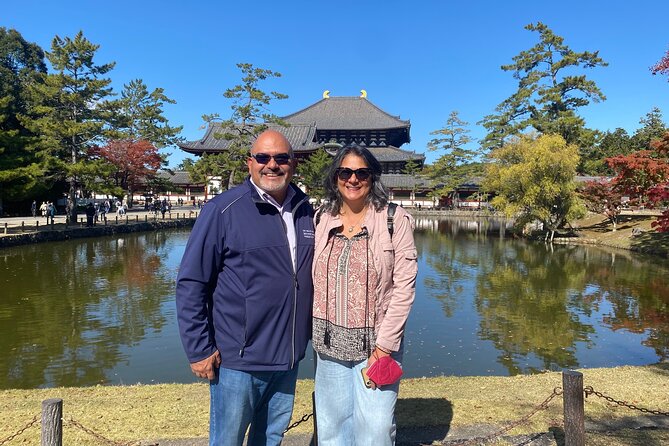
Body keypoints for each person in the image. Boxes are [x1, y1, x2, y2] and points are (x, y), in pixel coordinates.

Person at [175, 129, 315, 446]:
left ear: (293, 164)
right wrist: (198, 348)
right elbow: (191, 282)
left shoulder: (304, 210)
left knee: (270, 439)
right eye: (263, 157)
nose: (272, 165)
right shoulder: (224, 210)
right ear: (249, 163)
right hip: (239, 360)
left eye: (281, 158)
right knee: (228, 440)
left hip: (288, 357)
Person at [312, 144, 417, 446]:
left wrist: (385, 346)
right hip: (328, 344)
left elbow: (404, 288)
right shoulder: (321, 218)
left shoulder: (394, 220)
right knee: (333, 432)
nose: (353, 179)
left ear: (373, 178)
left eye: (362, 173)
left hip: (376, 345)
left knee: (376, 431)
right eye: (345, 172)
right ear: (335, 177)